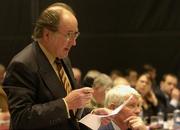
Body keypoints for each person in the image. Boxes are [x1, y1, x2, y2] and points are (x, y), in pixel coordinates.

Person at [3, 2, 97, 130]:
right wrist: (65, 104)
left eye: (75, 34)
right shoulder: (23, 64)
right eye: (69, 34)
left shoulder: (63, 58)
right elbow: (21, 118)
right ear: (47, 34)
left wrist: (93, 114)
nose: (74, 42)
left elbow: (71, 111)